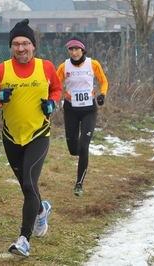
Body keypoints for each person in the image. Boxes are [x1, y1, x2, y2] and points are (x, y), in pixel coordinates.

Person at [0, 19, 62, 257]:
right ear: (11, 46)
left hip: (38, 134)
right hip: (11, 137)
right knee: (28, 188)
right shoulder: (0, 70)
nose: (21, 48)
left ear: (33, 46)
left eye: (25, 43)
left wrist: (52, 103)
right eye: (16, 44)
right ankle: (40, 210)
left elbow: (56, 88)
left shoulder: (46, 67)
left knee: (28, 184)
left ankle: (24, 239)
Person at [56, 35, 108, 197]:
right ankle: (82, 153)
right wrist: (51, 100)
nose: (74, 52)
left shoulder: (93, 64)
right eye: (71, 49)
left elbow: (104, 81)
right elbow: (56, 86)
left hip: (89, 110)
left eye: (77, 49)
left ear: (83, 49)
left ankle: (79, 183)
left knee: (83, 146)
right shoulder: (64, 67)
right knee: (74, 149)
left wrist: (102, 95)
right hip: (71, 109)